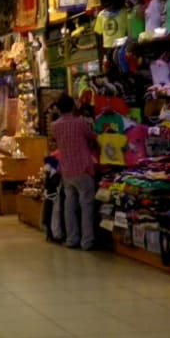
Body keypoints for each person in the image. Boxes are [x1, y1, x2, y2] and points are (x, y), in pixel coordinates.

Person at [51, 94, 98, 250]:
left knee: (69, 206)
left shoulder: (55, 126)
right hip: (83, 169)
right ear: (73, 106)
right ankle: (87, 241)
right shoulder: (80, 122)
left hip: (67, 171)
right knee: (86, 206)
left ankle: (72, 239)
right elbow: (92, 137)